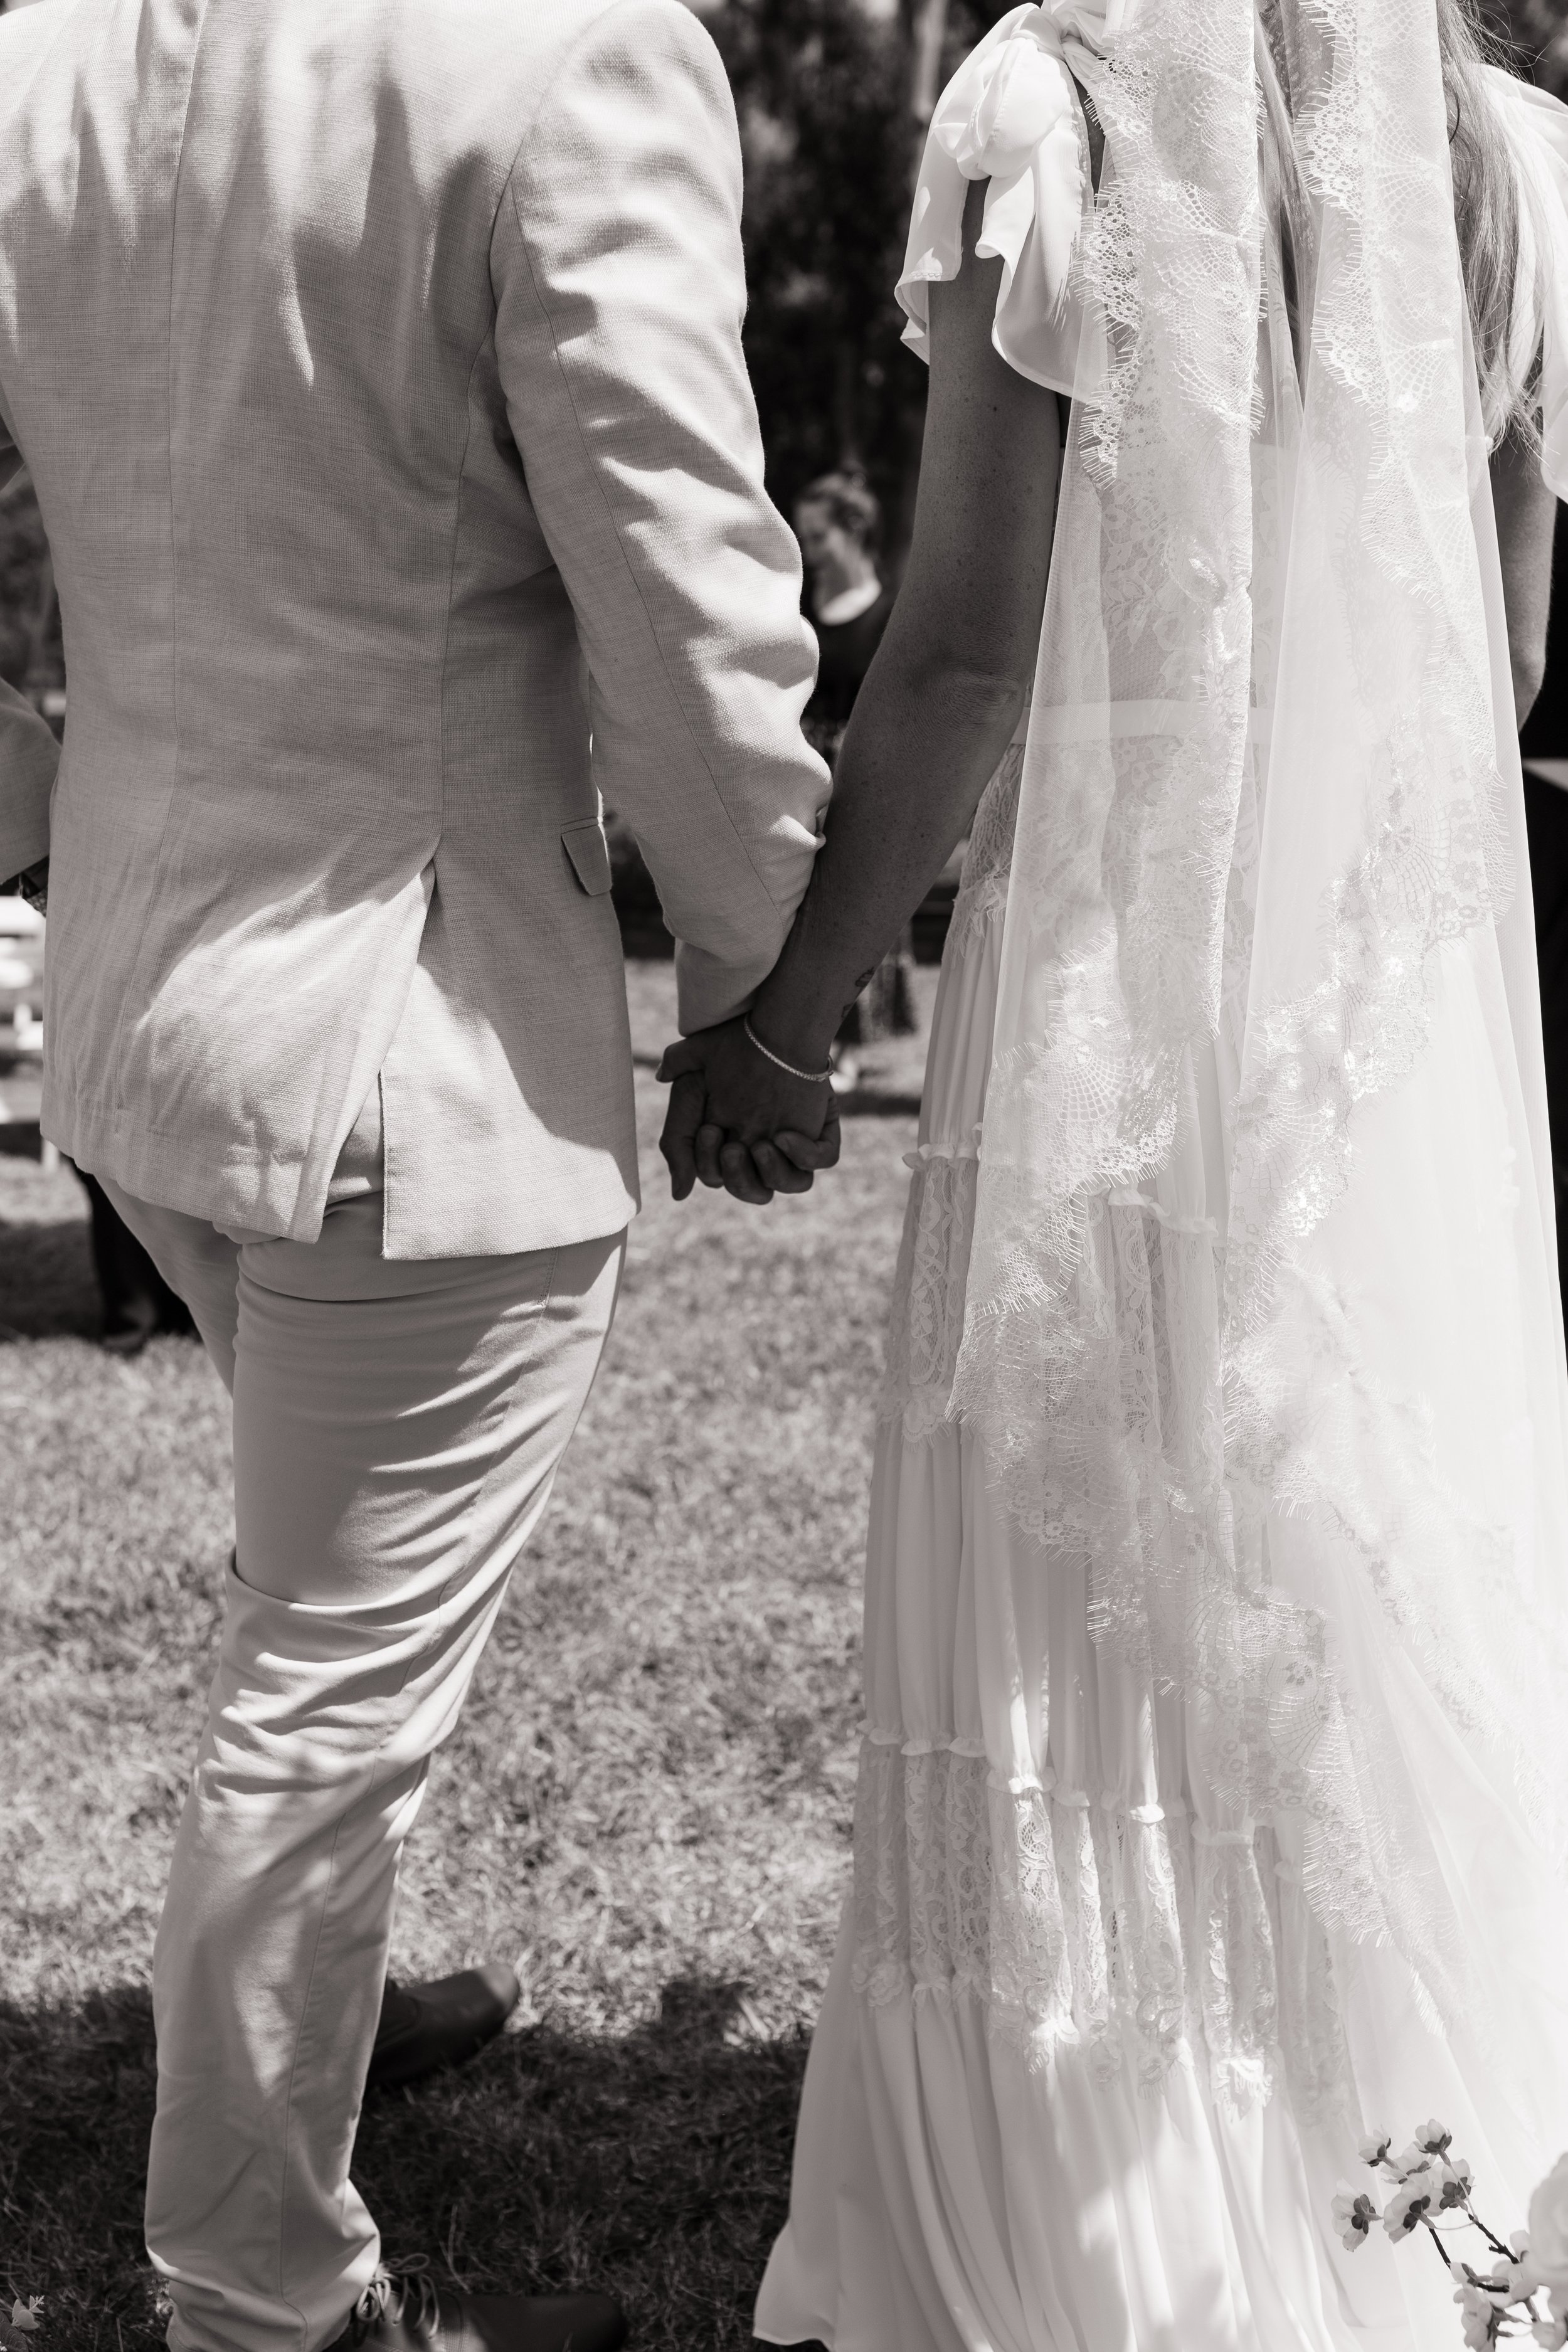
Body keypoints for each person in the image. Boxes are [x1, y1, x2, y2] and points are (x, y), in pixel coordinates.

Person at [661, 0, 1568, 2343]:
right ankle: (1409, 2195)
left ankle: (1090, 2212)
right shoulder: (1516, 171)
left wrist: (776, 1020)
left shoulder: (1048, 124)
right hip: (1373, 1040)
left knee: (1078, 1594)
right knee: (1354, 1579)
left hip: (1106, 996)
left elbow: (958, 657)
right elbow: (1508, 650)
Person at [0, 3, 830, 2348]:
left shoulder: (52, 53)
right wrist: (771, 976)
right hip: (405, 1024)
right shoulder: (566, 55)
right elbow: (676, 565)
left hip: (158, 991)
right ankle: (261, 2294)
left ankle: (329, 2028)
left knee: (313, 1596)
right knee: (326, 1688)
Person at [795, 470, 914, 1086]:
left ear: (853, 531)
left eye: (817, 536)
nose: (806, 548)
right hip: (800, 767)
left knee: (856, 900)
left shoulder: (892, 609)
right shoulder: (793, 605)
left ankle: (850, 1041)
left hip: (864, 771)